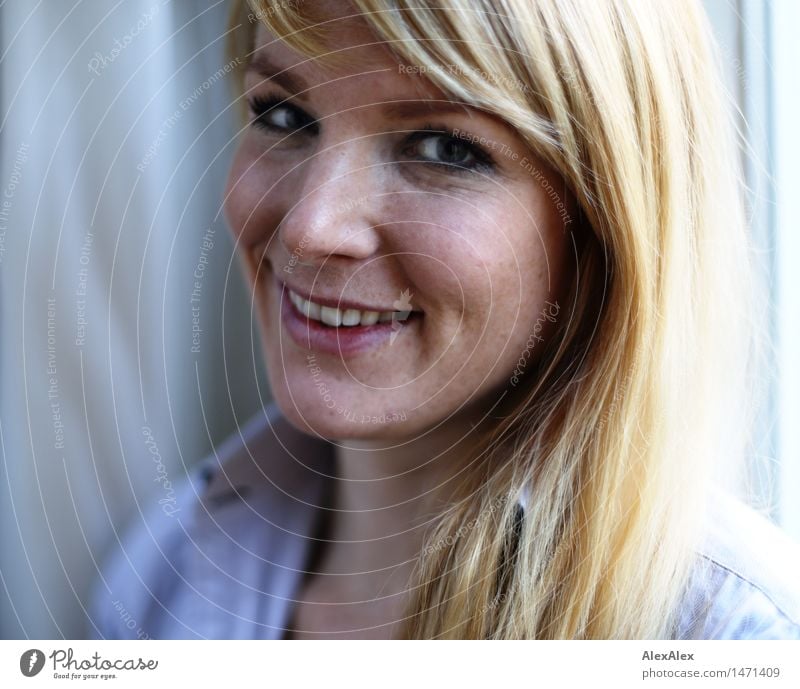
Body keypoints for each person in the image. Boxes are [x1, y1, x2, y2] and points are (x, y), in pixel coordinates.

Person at [91, 0, 800, 639]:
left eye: (443, 148)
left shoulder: (733, 635)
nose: (311, 227)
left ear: (599, 231)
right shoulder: (162, 571)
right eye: (285, 115)